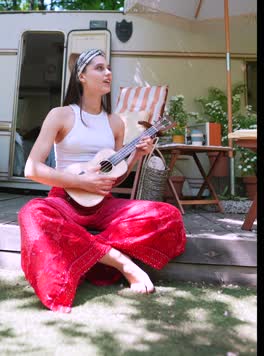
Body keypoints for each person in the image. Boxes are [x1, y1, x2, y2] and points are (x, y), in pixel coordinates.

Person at [18, 48, 186, 313]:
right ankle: (119, 261)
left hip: (103, 205)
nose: (108, 73)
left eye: (108, 68)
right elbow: (32, 168)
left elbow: (116, 175)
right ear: (81, 76)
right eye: (99, 68)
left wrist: (137, 156)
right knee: (33, 213)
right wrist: (81, 183)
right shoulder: (60, 114)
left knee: (168, 215)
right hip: (65, 201)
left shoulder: (116, 122)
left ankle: (85, 251)